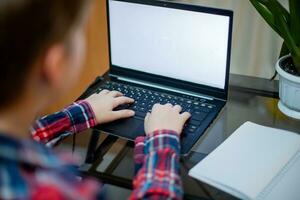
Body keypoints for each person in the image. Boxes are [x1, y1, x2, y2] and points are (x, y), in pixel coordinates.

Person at [0, 0, 191, 199]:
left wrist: (80, 113)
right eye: (78, 30)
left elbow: (29, 137)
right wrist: (162, 138)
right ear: (54, 64)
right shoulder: (61, 191)